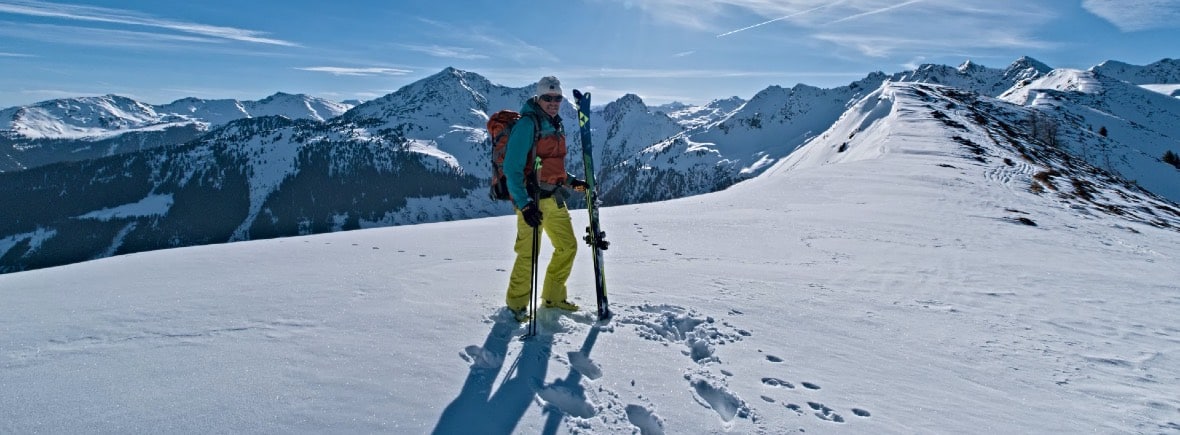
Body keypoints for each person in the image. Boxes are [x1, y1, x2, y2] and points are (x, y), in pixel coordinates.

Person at [503, 76, 588, 322]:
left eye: (557, 98)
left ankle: (553, 297)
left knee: (568, 246)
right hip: (532, 199)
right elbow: (512, 168)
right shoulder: (528, 125)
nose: (553, 102)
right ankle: (517, 306)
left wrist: (572, 181)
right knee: (528, 254)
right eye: (548, 98)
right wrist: (524, 204)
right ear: (538, 98)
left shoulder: (555, 124)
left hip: (554, 197)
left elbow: (552, 164)